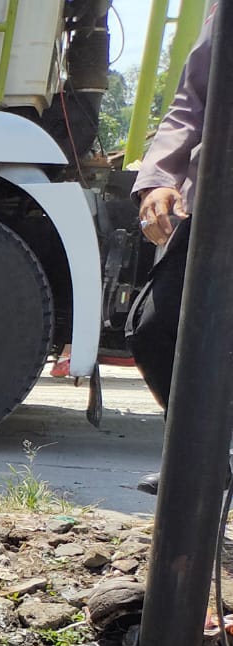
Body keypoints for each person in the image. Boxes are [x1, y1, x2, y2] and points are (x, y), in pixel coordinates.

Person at [126, 6, 215, 493]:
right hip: (217, 197)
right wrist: (159, 179)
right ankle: (201, 453)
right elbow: (190, 103)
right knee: (156, 327)